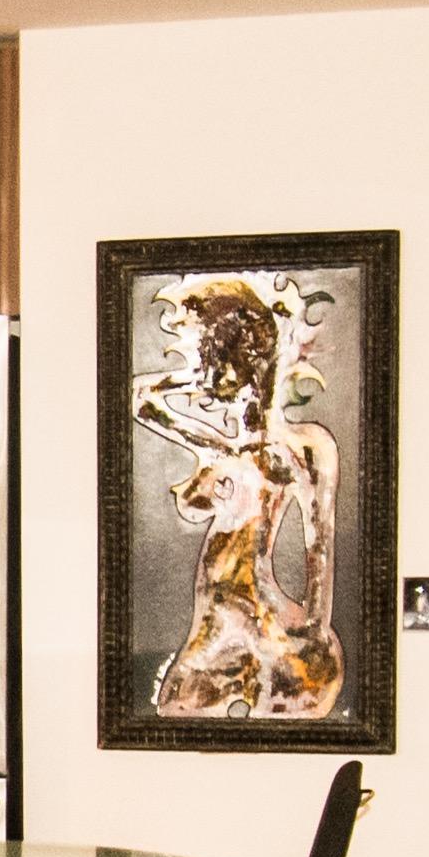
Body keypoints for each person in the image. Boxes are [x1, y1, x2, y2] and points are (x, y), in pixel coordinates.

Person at [131, 271, 342, 718]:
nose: (212, 375)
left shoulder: (304, 447)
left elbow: (319, 549)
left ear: (250, 357)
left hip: (261, 620)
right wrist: (190, 376)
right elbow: (140, 399)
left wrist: (315, 628)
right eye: (207, 357)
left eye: (215, 354)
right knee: (175, 710)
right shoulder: (220, 448)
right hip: (216, 621)